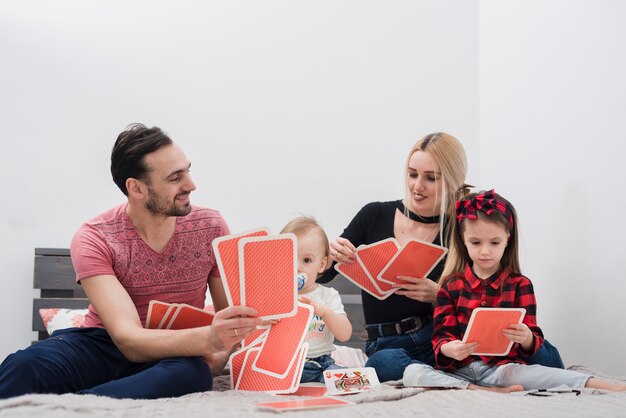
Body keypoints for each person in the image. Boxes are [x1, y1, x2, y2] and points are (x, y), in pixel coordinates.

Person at [0, 123, 264, 399]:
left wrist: (220, 352)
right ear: (136, 188)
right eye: (175, 178)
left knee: (191, 374)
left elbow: (233, 314)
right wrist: (210, 338)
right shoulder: (96, 237)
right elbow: (128, 339)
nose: (191, 185)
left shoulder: (211, 226)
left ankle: (73, 406)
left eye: (188, 170)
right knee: (23, 366)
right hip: (103, 344)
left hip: (176, 350)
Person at [318, 132, 564, 382]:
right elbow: (324, 274)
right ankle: (444, 377)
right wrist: (331, 252)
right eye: (412, 174)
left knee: (542, 355)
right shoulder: (373, 215)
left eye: (431, 178)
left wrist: (439, 295)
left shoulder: (460, 230)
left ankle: (442, 375)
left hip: (436, 339)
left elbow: (480, 296)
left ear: (451, 181)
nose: (417, 186)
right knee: (385, 363)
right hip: (386, 341)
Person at [403, 190, 626, 392]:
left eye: (494, 242)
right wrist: (450, 349)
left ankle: (603, 385)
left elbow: (532, 336)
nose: (485, 251)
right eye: (476, 242)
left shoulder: (521, 285)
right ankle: (480, 390)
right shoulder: (451, 286)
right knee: (411, 372)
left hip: (502, 370)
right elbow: (441, 338)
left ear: (507, 240)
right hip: (457, 370)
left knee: (537, 372)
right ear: (463, 240)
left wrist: (527, 337)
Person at [280, 216, 353, 383]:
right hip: (288, 364)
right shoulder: (278, 295)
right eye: (289, 259)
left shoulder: (328, 295)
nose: (297, 267)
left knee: (342, 379)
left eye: (306, 260)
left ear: (321, 265)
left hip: (322, 364)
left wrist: (325, 312)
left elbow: (345, 334)